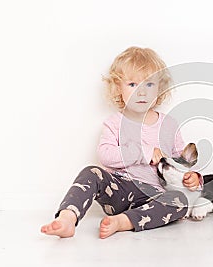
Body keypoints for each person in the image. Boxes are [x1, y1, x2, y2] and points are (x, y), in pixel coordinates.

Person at [41, 47, 202, 238]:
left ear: (160, 88)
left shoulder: (169, 125)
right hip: (119, 189)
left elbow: (180, 163)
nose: (141, 92)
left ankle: (124, 221)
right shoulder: (115, 123)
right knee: (90, 173)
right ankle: (68, 218)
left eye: (149, 84)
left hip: (154, 195)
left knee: (179, 200)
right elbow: (105, 156)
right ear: (119, 88)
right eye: (133, 84)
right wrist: (142, 151)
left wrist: (192, 179)